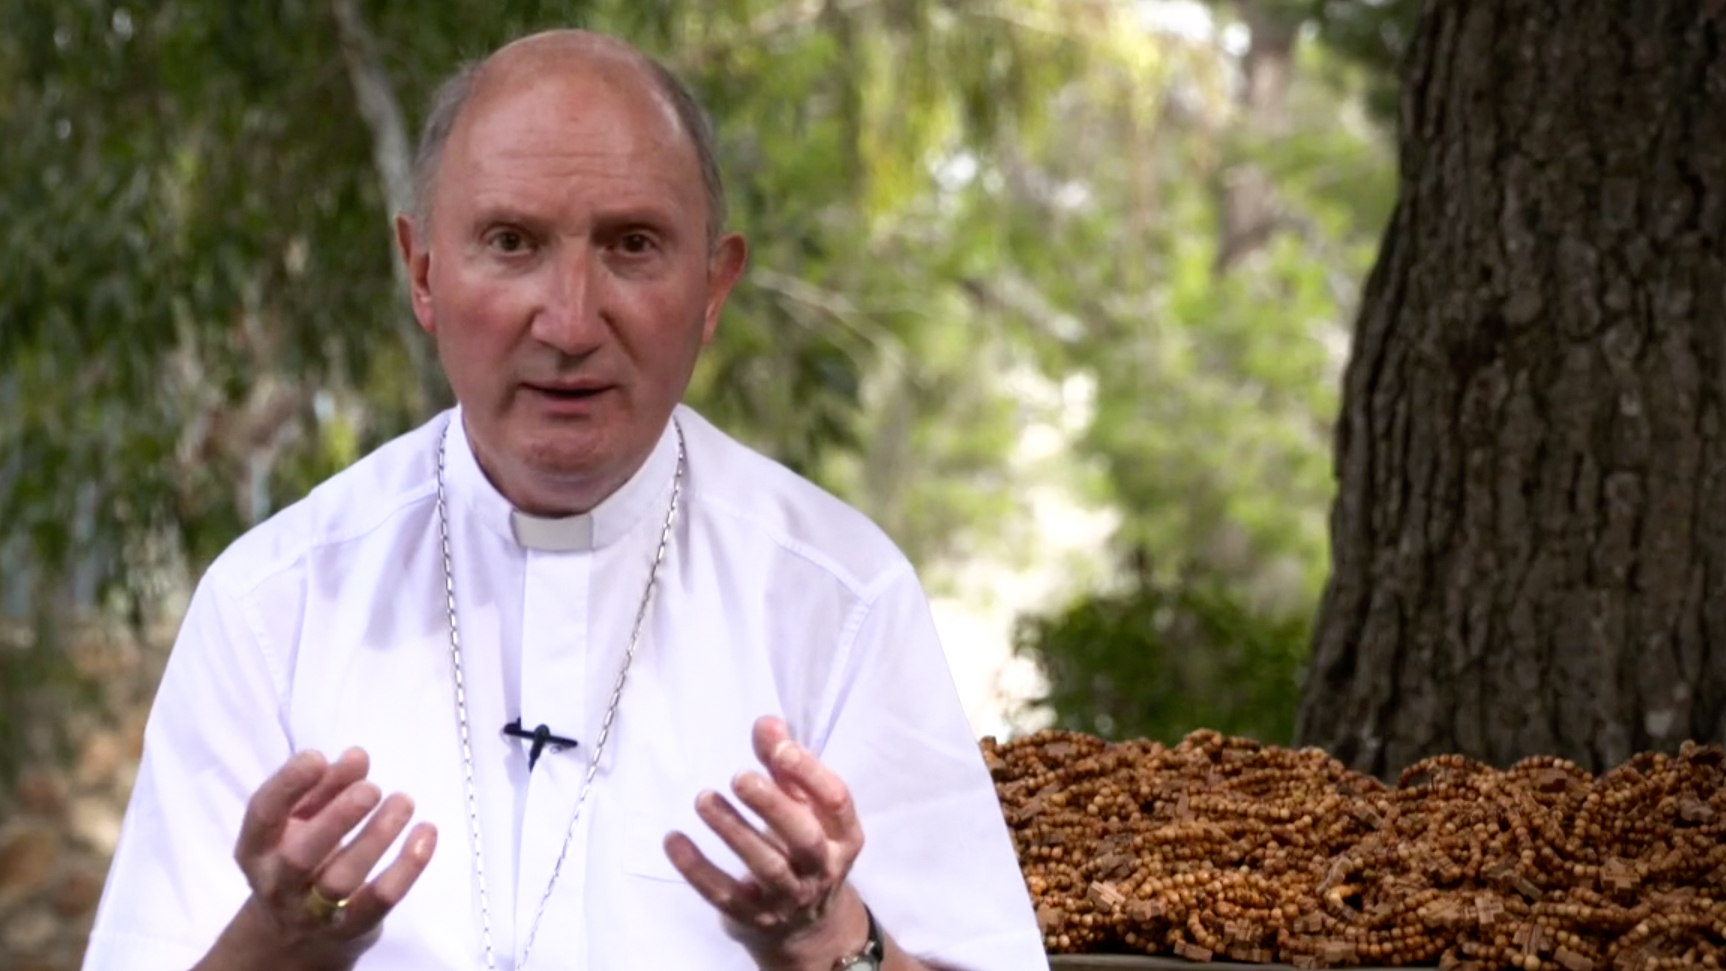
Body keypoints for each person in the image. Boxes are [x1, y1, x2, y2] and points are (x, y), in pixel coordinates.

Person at [80, 27, 1046, 971]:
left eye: (632, 246)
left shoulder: (841, 598)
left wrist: (827, 942)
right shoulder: (271, 604)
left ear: (714, 287)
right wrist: (278, 946)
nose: (571, 320)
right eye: (511, 242)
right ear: (423, 273)